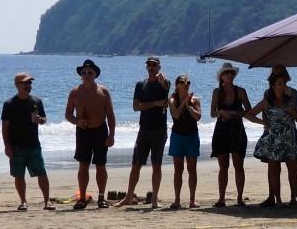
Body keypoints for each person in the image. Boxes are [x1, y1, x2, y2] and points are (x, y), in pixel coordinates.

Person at [116, 56, 171, 209]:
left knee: (156, 165)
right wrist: (155, 103)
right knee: (136, 164)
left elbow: (166, 88)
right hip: (144, 129)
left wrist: (162, 82)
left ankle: (154, 199)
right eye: (149, 65)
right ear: (146, 67)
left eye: (154, 65)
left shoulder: (164, 82)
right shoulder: (141, 85)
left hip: (159, 129)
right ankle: (129, 197)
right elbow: (136, 107)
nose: (152, 67)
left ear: (159, 67)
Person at [65, 59, 116, 210]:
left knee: (101, 164)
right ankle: (82, 197)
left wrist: (111, 135)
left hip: (100, 130)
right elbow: (68, 114)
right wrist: (77, 121)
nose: (86, 75)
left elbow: (110, 115)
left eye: (90, 72)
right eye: (84, 73)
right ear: (81, 75)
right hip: (83, 132)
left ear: (95, 74)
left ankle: (101, 197)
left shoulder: (103, 91)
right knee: (83, 165)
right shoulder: (75, 92)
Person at [249, 70, 297, 206]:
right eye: (279, 84)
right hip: (273, 140)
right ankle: (277, 200)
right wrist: (263, 123)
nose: (282, 86)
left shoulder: (290, 100)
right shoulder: (267, 101)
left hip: (289, 139)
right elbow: (249, 114)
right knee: (274, 170)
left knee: (294, 170)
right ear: (273, 86)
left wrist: (292, 111)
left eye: (283, 83)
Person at [1, 73, 53, 211]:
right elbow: (5, 127)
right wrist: (7, 146)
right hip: (16, 145)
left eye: (30, 83)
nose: (28, 85)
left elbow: (44, 119)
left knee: (41, 173)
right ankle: (23, 201)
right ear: (17, 85)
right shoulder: (9, 104)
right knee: (19, 175)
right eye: (25, 83)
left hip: (33, 144)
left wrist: (41, 120)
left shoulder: (36, 101)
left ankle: (47, 201)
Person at [210, 62, 251, 207]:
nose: (229, 75)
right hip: (221, 130)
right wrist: (221, 112)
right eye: (226, 73)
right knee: (223, 166)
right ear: (221, 76)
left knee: (238, 165)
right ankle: (221, 198)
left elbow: (249, 110)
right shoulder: (217, 92)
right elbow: (212, 113)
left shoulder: (240, 91)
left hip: (237, 129)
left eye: (231, 73)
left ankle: (239, 197)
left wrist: (236, 113)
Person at [169, 74, 202, 209]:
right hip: (177, 136)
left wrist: (188, 105)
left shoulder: (195, 100)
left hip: (192, 136)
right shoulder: (172, 99)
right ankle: (177, 199)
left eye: (188, 83)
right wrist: (184, 102)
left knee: (192, 169)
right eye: (183, 82)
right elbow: (176, 115)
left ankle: (192, 200)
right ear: (177, 85)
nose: (186, 85)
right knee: (178, 169)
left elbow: (197, 117)